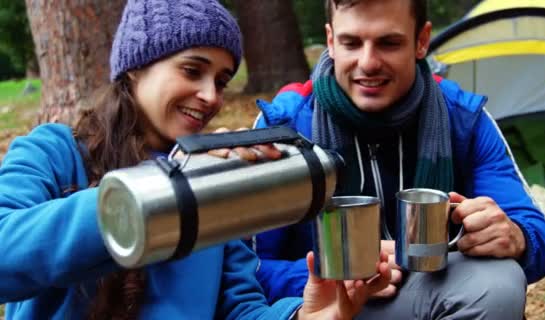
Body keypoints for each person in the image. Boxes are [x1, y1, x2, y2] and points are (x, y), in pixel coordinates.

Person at [0, 0, 391, 319]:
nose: (211, 96)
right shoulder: (55, 152)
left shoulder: (216, 178)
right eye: (192, 70)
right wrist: (146, 197)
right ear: (135, 68)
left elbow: (240, 309)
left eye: (221, 80)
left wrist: (302, 316)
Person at [251, 0, 545, 318]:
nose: (368, 63)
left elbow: (540, 238)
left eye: (389, 43)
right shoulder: (282, 129)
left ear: (421, 41)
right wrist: (334, 273)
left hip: (438, 292)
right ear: (331, 41)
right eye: (351, 43)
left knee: (497, 282)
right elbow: (246, 272)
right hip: (325, 308)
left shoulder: (463, 119)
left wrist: (517, 236)